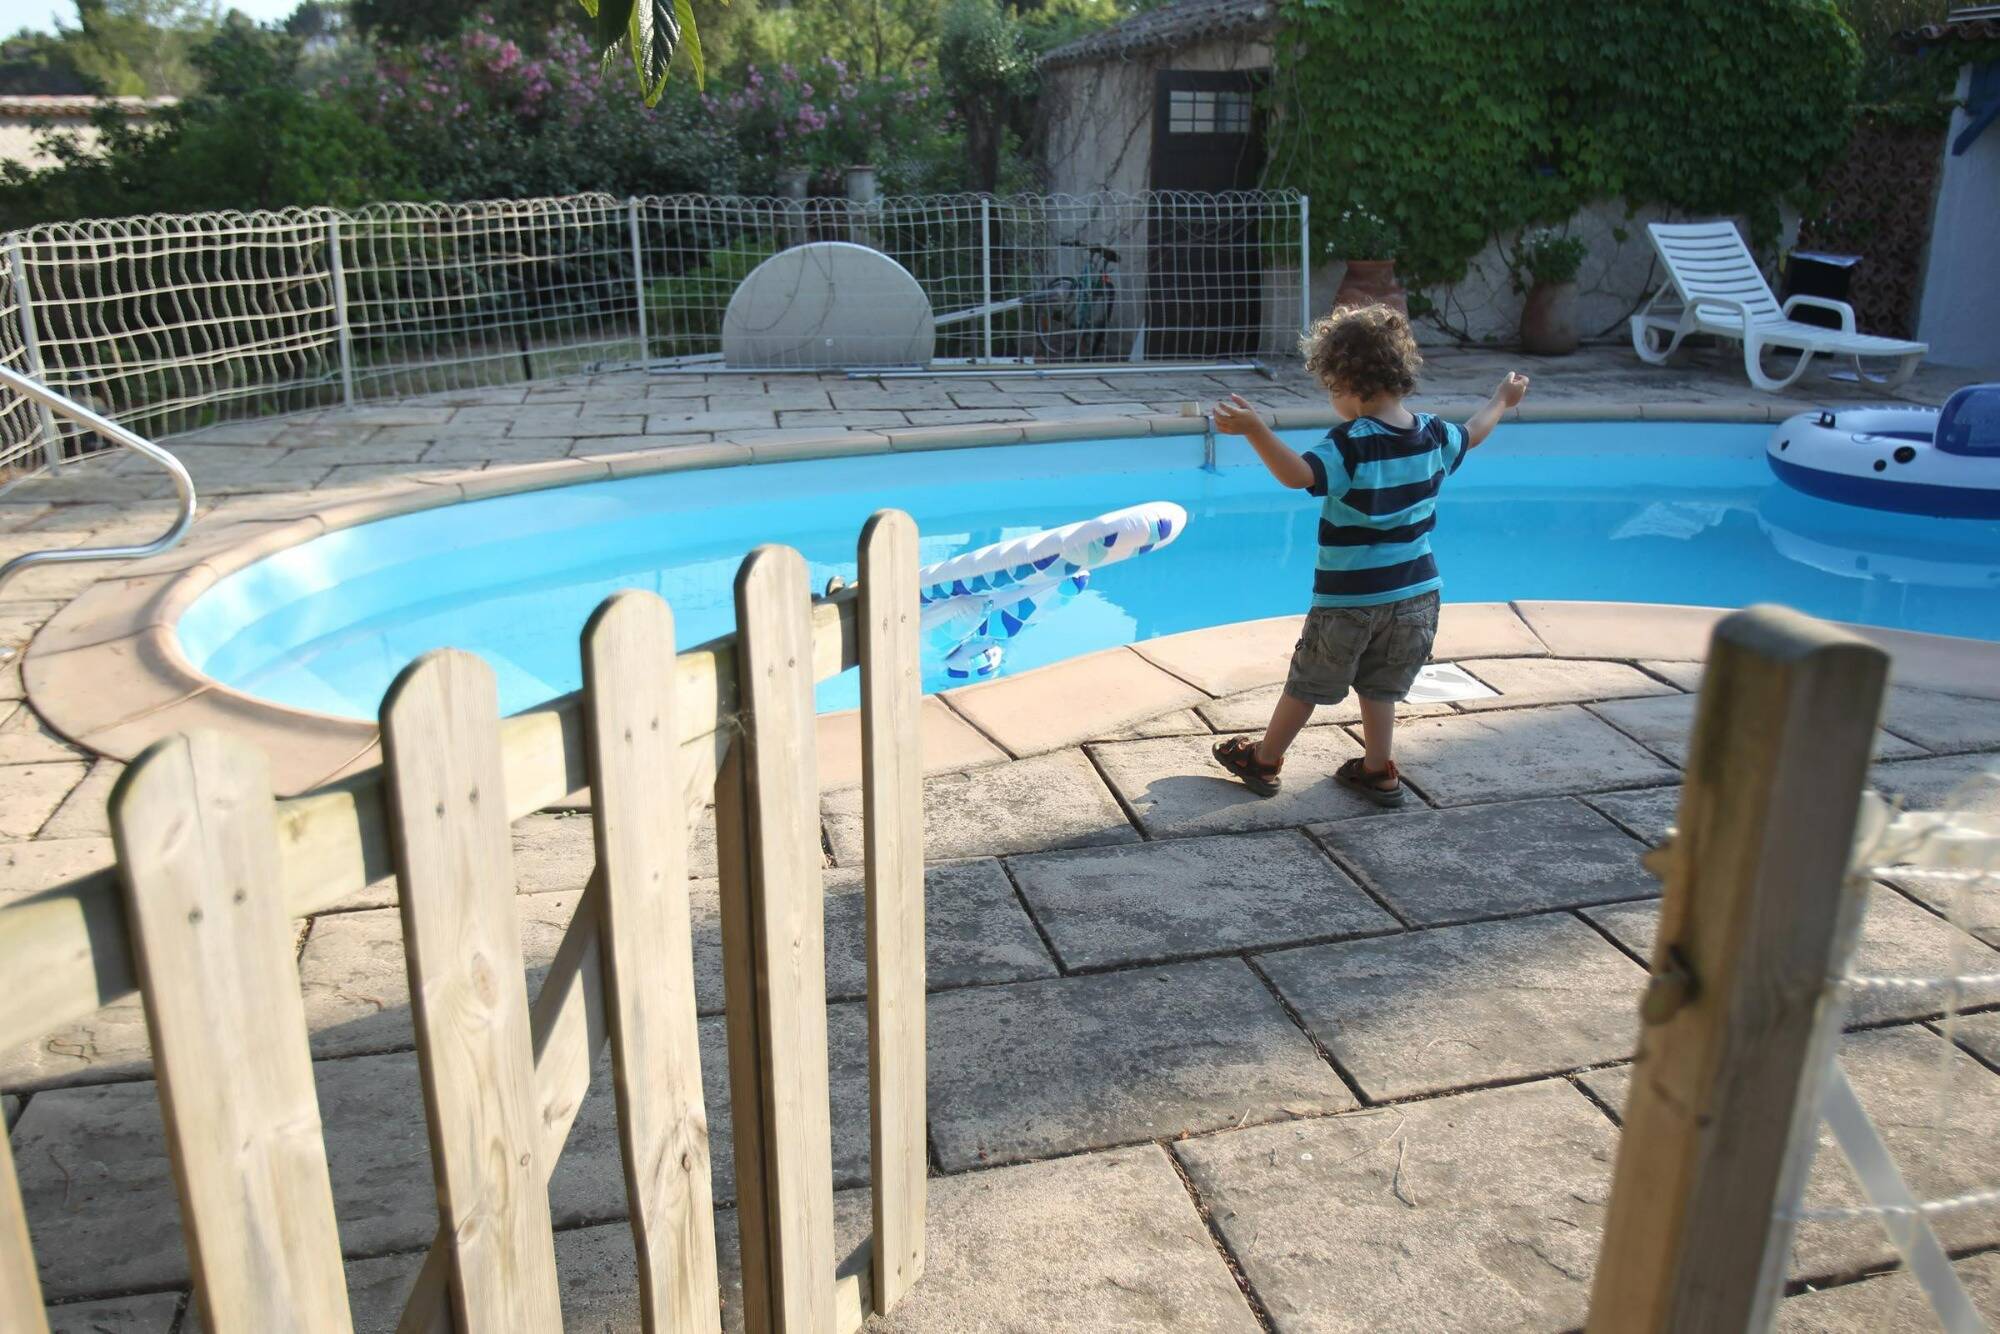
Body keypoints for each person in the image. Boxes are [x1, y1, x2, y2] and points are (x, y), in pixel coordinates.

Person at [1207, 303, 1529, 805]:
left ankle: (1264, 760)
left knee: (1308, 681)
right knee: (1381, 686)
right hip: (1418, 597)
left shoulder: (1351, 444)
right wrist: (1501, 398)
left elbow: (1297, 476)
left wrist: (1256, 430)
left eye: (1331, 387)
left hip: (1349, 599)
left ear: (1348, 385)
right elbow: (1477, 430)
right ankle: (1378, 769)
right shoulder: (1434, 434)